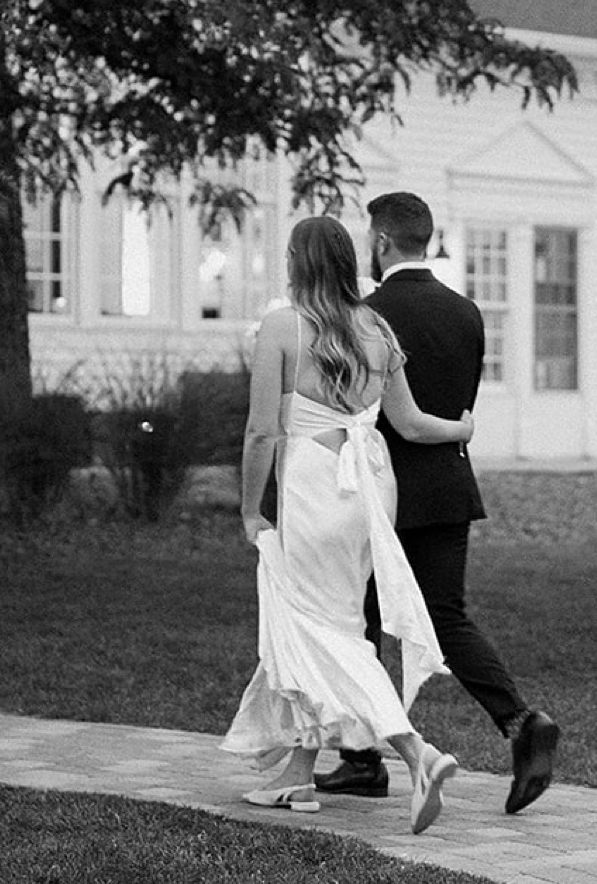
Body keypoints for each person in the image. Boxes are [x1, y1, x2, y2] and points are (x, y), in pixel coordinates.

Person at [221, 214, 472, 833]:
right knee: (322, 621)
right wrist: (461, 430)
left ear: (298, 263)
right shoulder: (377, 328)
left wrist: (251, 509)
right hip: (368, 488)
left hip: (313, 485)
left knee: (324, 630)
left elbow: (261, 432)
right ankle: (298, 777)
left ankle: (419, 752)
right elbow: (410, 423)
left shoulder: (284, 326)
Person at [315, 190, 560, 816]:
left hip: (381, 492)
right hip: (449, 482)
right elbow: (461, 403)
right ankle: (521, 721)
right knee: (447, 618)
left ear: (382, 241)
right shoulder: (467, 312)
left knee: (359, 622)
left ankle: (364, 759)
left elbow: (360, 408)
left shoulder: (364, 315)